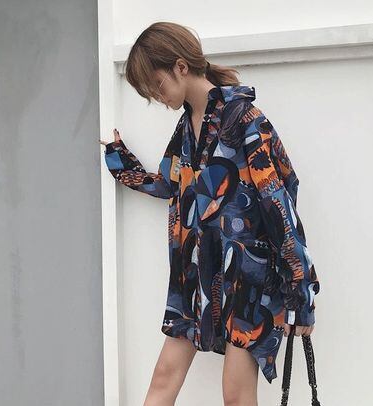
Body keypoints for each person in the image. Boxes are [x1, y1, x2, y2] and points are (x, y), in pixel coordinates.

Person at [99, 21, 320, 406]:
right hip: (196, 275)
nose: (157, 97)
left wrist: (300, 291)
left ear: (181, 67)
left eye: (157, 86)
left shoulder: (244, 120)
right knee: (163, 379)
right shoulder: (187, 127)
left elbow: (279, 205)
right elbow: (168, 183)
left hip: (247, 280)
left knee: (236, 397)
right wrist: (119, 160)